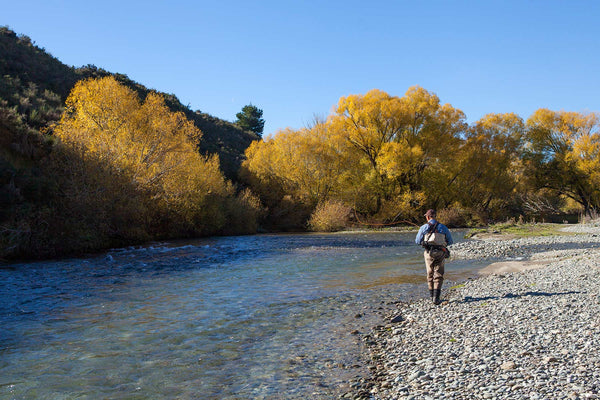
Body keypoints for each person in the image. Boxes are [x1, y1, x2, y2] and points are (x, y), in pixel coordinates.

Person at [415, 209, 453, 305]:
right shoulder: (443, 227)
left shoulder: (424, 227)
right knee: (439, 274)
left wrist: (425, 242)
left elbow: (417, 241)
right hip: (441, 252)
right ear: (435, 216)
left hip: (429, 252)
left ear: (427, 217)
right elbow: (450, 241)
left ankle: (431, 296)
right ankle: (436, 298)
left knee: (430, 273)